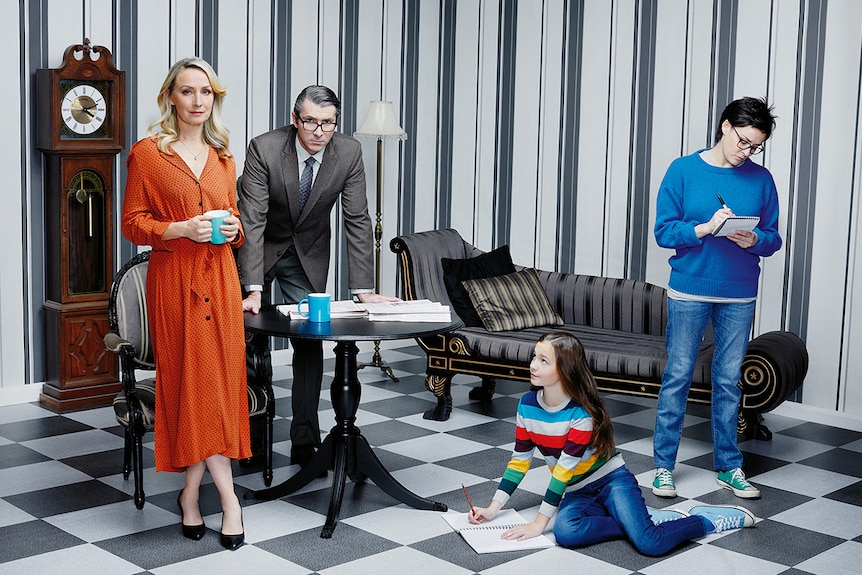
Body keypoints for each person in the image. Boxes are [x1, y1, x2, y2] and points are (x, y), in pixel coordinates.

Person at [468, 332, 755, 556]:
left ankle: (705, 520)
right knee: (566, 533)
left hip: (611, 481)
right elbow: (519, 461)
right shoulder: (527, 406)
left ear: (565, 369)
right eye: (534, 356)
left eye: (543, 360)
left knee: (649, 543)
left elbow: (563, 471)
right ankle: (636, 519)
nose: (532, 365)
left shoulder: (581, 414)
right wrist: (493, 509)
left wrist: (537, 524)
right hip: (577, 491)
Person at [122, 57, 249, 550]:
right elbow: (133, 223)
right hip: (174, 281)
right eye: (188, 91)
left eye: (206, 93)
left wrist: (234, 229)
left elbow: (234, 218)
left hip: (220, 280)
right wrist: (177, 229)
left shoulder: (223, 157)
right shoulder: (149, 154)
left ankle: (190, 495)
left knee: (218, 386)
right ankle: (230, 502)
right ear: (170, 97)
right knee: (194, 386)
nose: (198, 101)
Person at [236, 85, 398, 468]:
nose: (319, 131)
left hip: (306, 254)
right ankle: (252, 440)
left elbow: (357, 220)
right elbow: (253, 220)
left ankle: (304, 438)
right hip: (258, 247)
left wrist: (363, 290)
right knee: (249, 337)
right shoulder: (264, 148)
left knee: (309, 340)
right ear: (295, 120)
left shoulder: (349, 152)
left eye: (327, 123)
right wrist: (253, 287)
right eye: (310, 121)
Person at [652, 96, 782, 500]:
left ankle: (729, 466)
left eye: (755, 146)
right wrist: (705, 228)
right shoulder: (683, 170)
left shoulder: (762, 180)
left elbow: (774, 239)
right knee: (677, 377)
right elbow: (663, 232)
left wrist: (753, 238)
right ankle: (663, 468)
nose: (747, 152)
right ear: (725, 126)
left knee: (728, 381)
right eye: (743, 141)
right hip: (689, 287)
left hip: (740, 294)